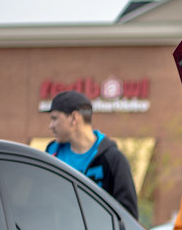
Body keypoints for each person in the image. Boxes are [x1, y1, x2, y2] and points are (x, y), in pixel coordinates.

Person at [46, 90, 138, 218]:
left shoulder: (113, 160)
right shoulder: (51, 154)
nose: (51, 125)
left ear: (74, 117)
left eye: (55, 119)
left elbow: (129, 217)